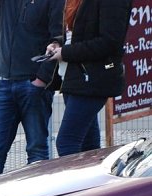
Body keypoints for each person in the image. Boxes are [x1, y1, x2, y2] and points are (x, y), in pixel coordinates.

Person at [0, 0, 65, 181]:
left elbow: (58, 38)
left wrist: (41, 81)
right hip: (4, 82)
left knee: (37, 152)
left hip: (33, 85)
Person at [46, 0, 133, 156]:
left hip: (92, 78)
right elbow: (77, 34)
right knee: (89, 145)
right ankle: (95, 179)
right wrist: (58, 43)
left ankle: (76, 181)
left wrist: (66, 52)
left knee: (67, 142)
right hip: (72, 76)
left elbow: (110, 42)